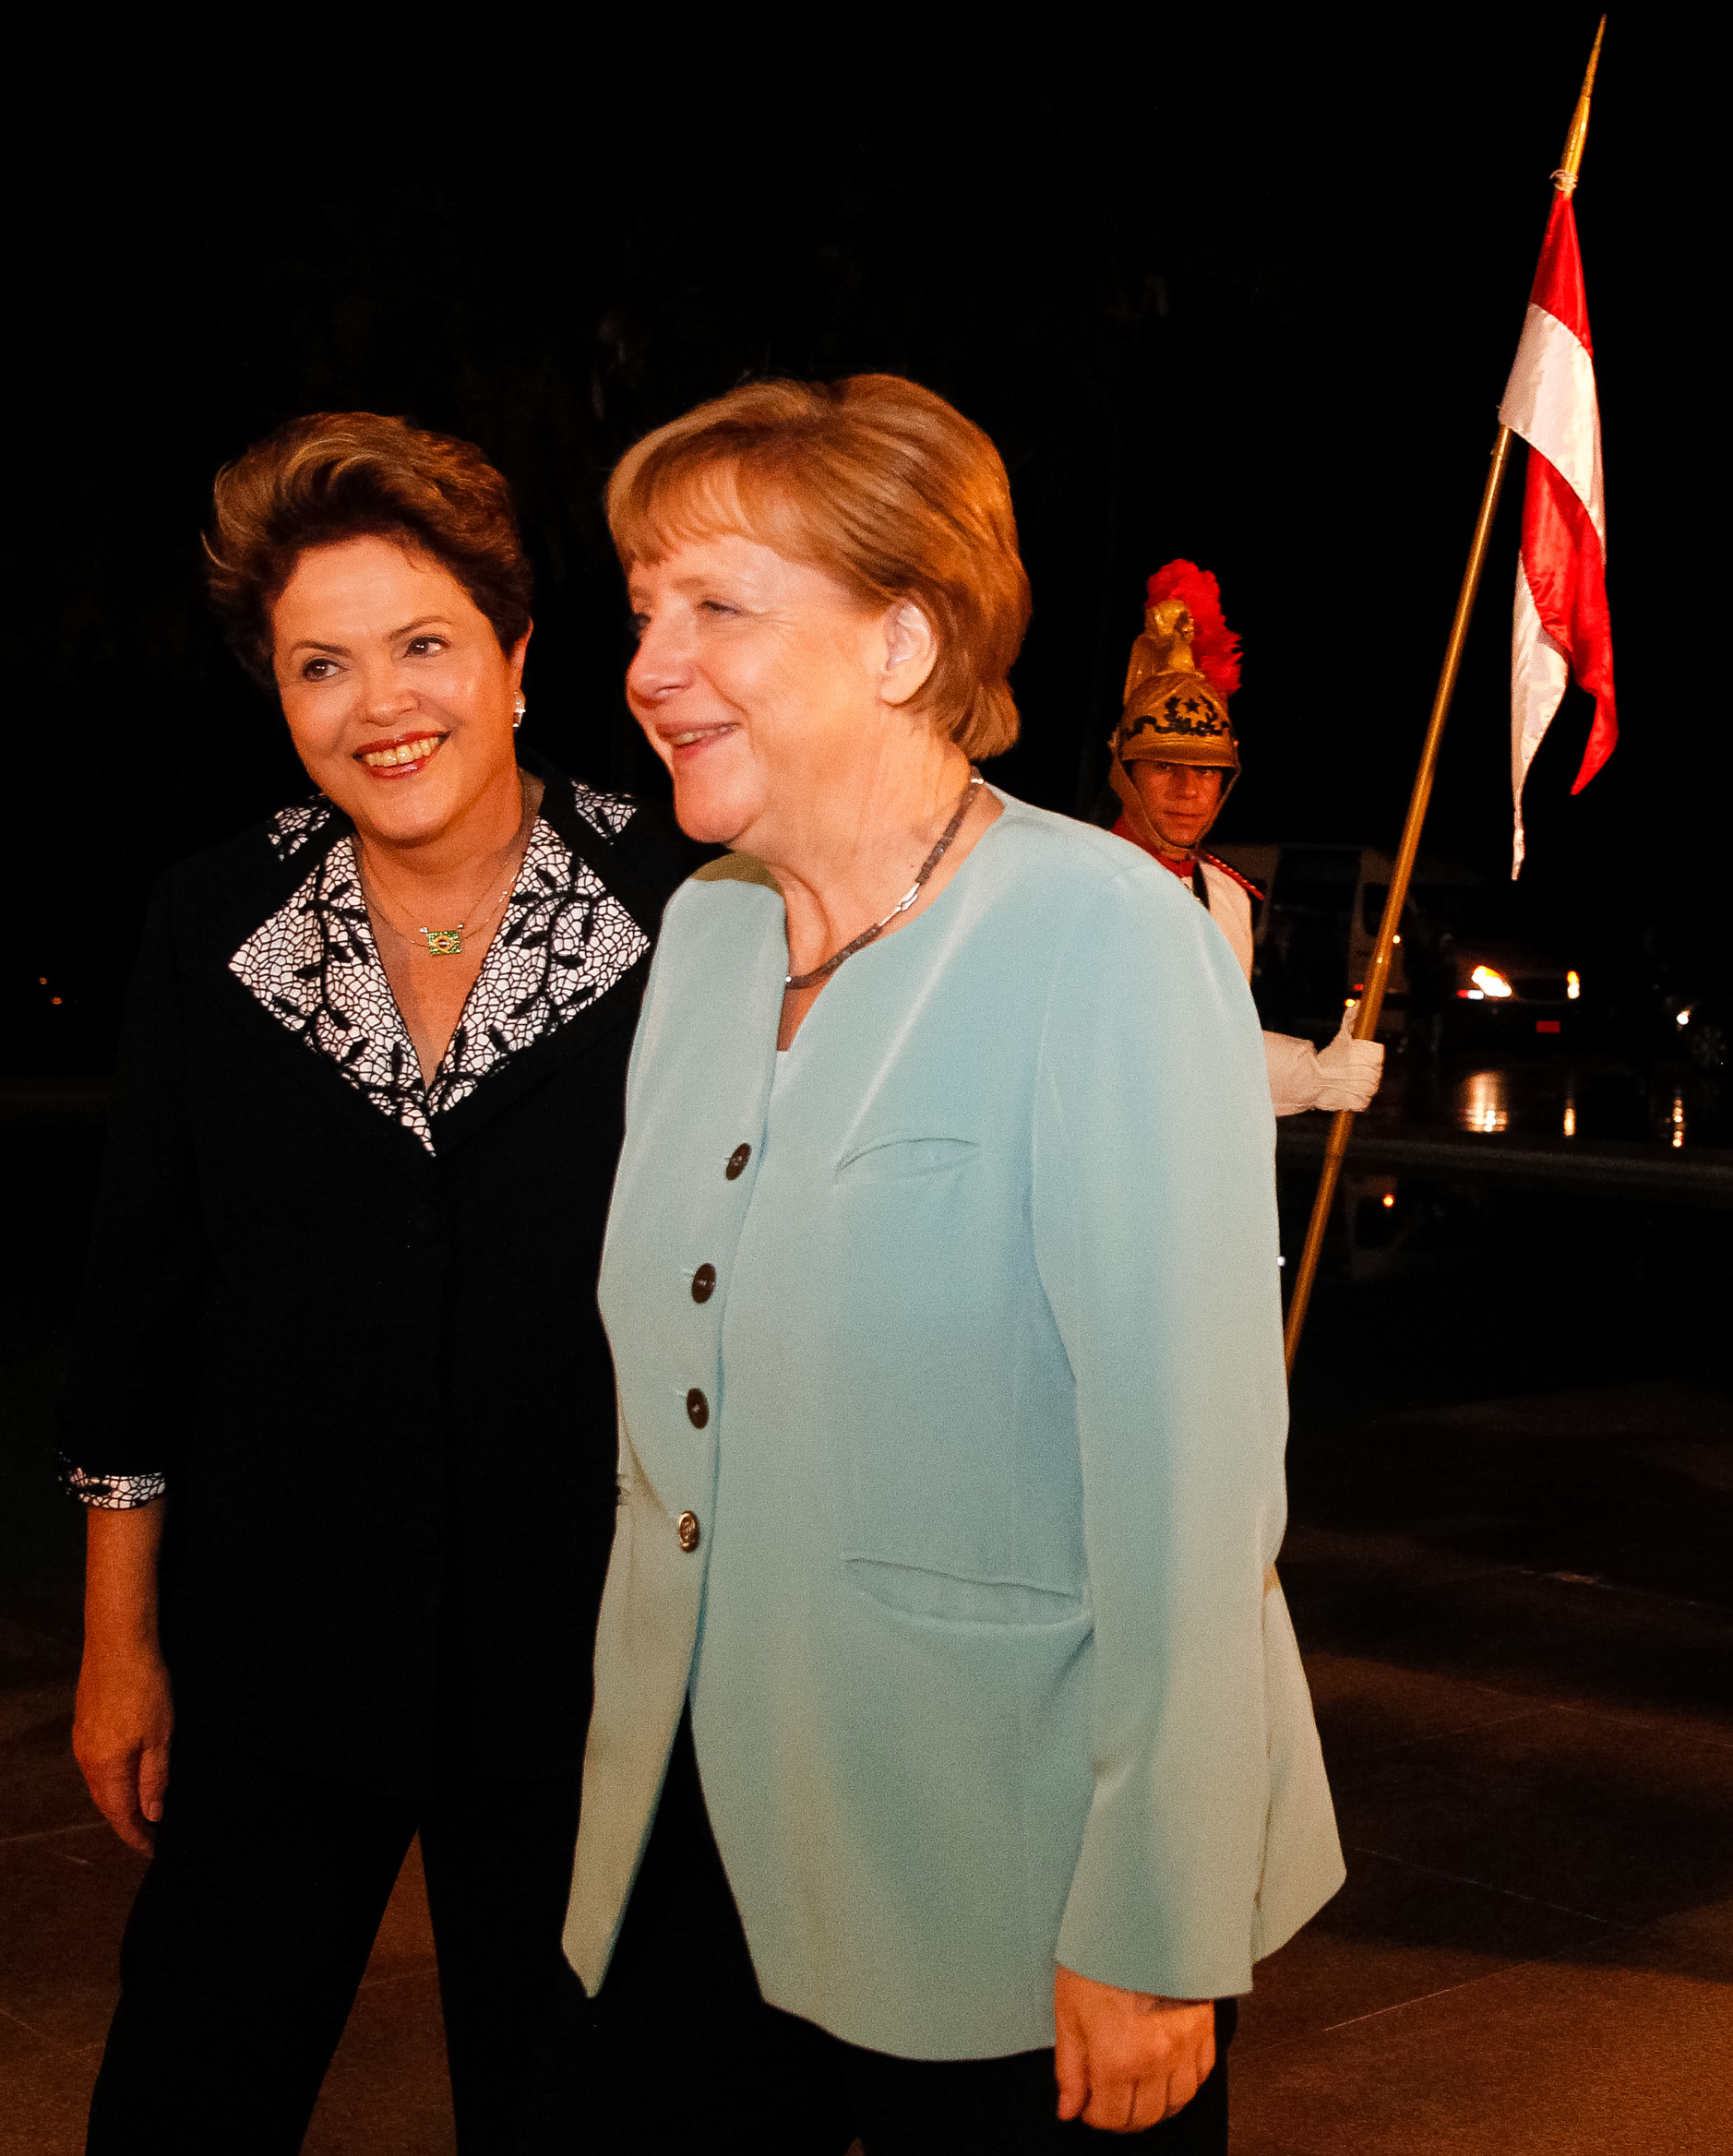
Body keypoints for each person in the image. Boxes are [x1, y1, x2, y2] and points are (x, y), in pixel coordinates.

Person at [532, 375, 1341, 2151]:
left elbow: (1196, 1495)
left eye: (718, 607)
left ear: (903, 641)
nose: (649, 666)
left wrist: (1150, 1916)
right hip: (698, 1828)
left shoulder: (1105, 935)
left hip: (1007, 1860)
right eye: (643, 613)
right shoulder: (706, 941)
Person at [61, 413, 698, 2152]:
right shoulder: (213, 925)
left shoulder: (690, 904)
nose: (380, 704)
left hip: (591, 1676)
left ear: (514, 658)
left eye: (423, 645)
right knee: (177, 2107)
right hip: (275, 1661)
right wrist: (122, 1646)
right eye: (320, 664)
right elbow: (141, 1310)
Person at [1105, 558, 1380, 1118]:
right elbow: (1153, 1051)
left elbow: (1214, 1047)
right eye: (1164, 766)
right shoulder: (1075, 882)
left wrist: (1317, 1075)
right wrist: (1310, 1074)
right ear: (1124, 771)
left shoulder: (1225, 895)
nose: (1187, 789)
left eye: (1206, 772)